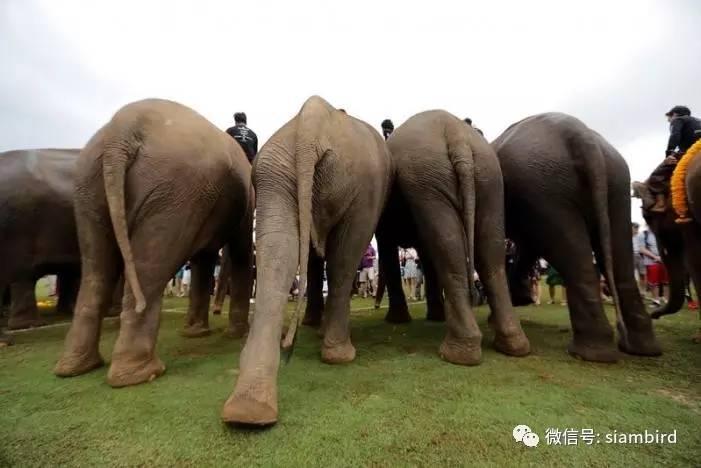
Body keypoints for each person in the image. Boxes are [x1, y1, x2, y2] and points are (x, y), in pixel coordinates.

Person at [643, 106, 701, 212]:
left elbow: (675, 135)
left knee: (656, 175)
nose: (668, 119)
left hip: (690, 151)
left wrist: (669, 153)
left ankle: (661, 204)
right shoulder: (698, 120)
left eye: (669, 116)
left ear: (674, 114)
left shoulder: (678, 120)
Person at [638, 228, 668, 306]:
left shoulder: (663, 233)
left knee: (666, 281)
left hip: (664, 260)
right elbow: (641, 249)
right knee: (653, 283)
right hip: (651, 262)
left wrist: (663, 256)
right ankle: (656, 301)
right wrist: (655, 257)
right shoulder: (644, 234)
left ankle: (666, 299)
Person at [631, 222, 647, 296]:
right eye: (635, 227)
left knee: (642, 274)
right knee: (632, 274)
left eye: (637, 228)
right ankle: (634, 291)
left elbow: (643, 246)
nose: (636, 229)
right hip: (631, 255)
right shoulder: (626, 236)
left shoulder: (641, 235)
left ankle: (642, 291)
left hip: (639, 255)